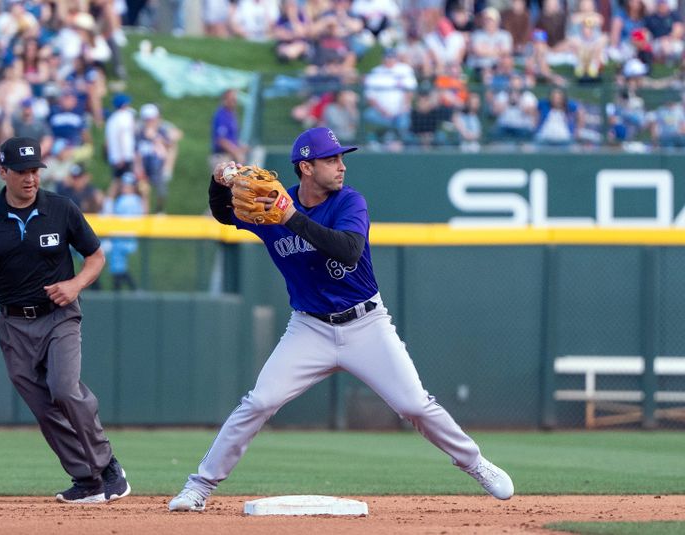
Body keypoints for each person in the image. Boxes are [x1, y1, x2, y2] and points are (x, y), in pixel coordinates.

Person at [168, 126, 515, 512]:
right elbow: (223, 214)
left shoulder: (349, 202)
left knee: (415, 405)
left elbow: (348, 250)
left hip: (366, 323)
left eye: (341, 158)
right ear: (305, 167)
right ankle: (198, 487)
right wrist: (219, 182)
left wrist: (291, 217)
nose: (341, 166)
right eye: (331, 159)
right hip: (309, 328)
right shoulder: (269, 207)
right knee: (259, 402)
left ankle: (475, 463)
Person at [0, 136, 131, 505]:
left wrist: (75, 284)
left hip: (58, 316)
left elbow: (95, 257)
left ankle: (108, 465)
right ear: (3, 172)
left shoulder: (62, 209)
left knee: (63, 388)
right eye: (21, 171)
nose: (30, 178)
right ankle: (87, 479)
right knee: (45, 408)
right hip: (13, 324)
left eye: (35, 170)